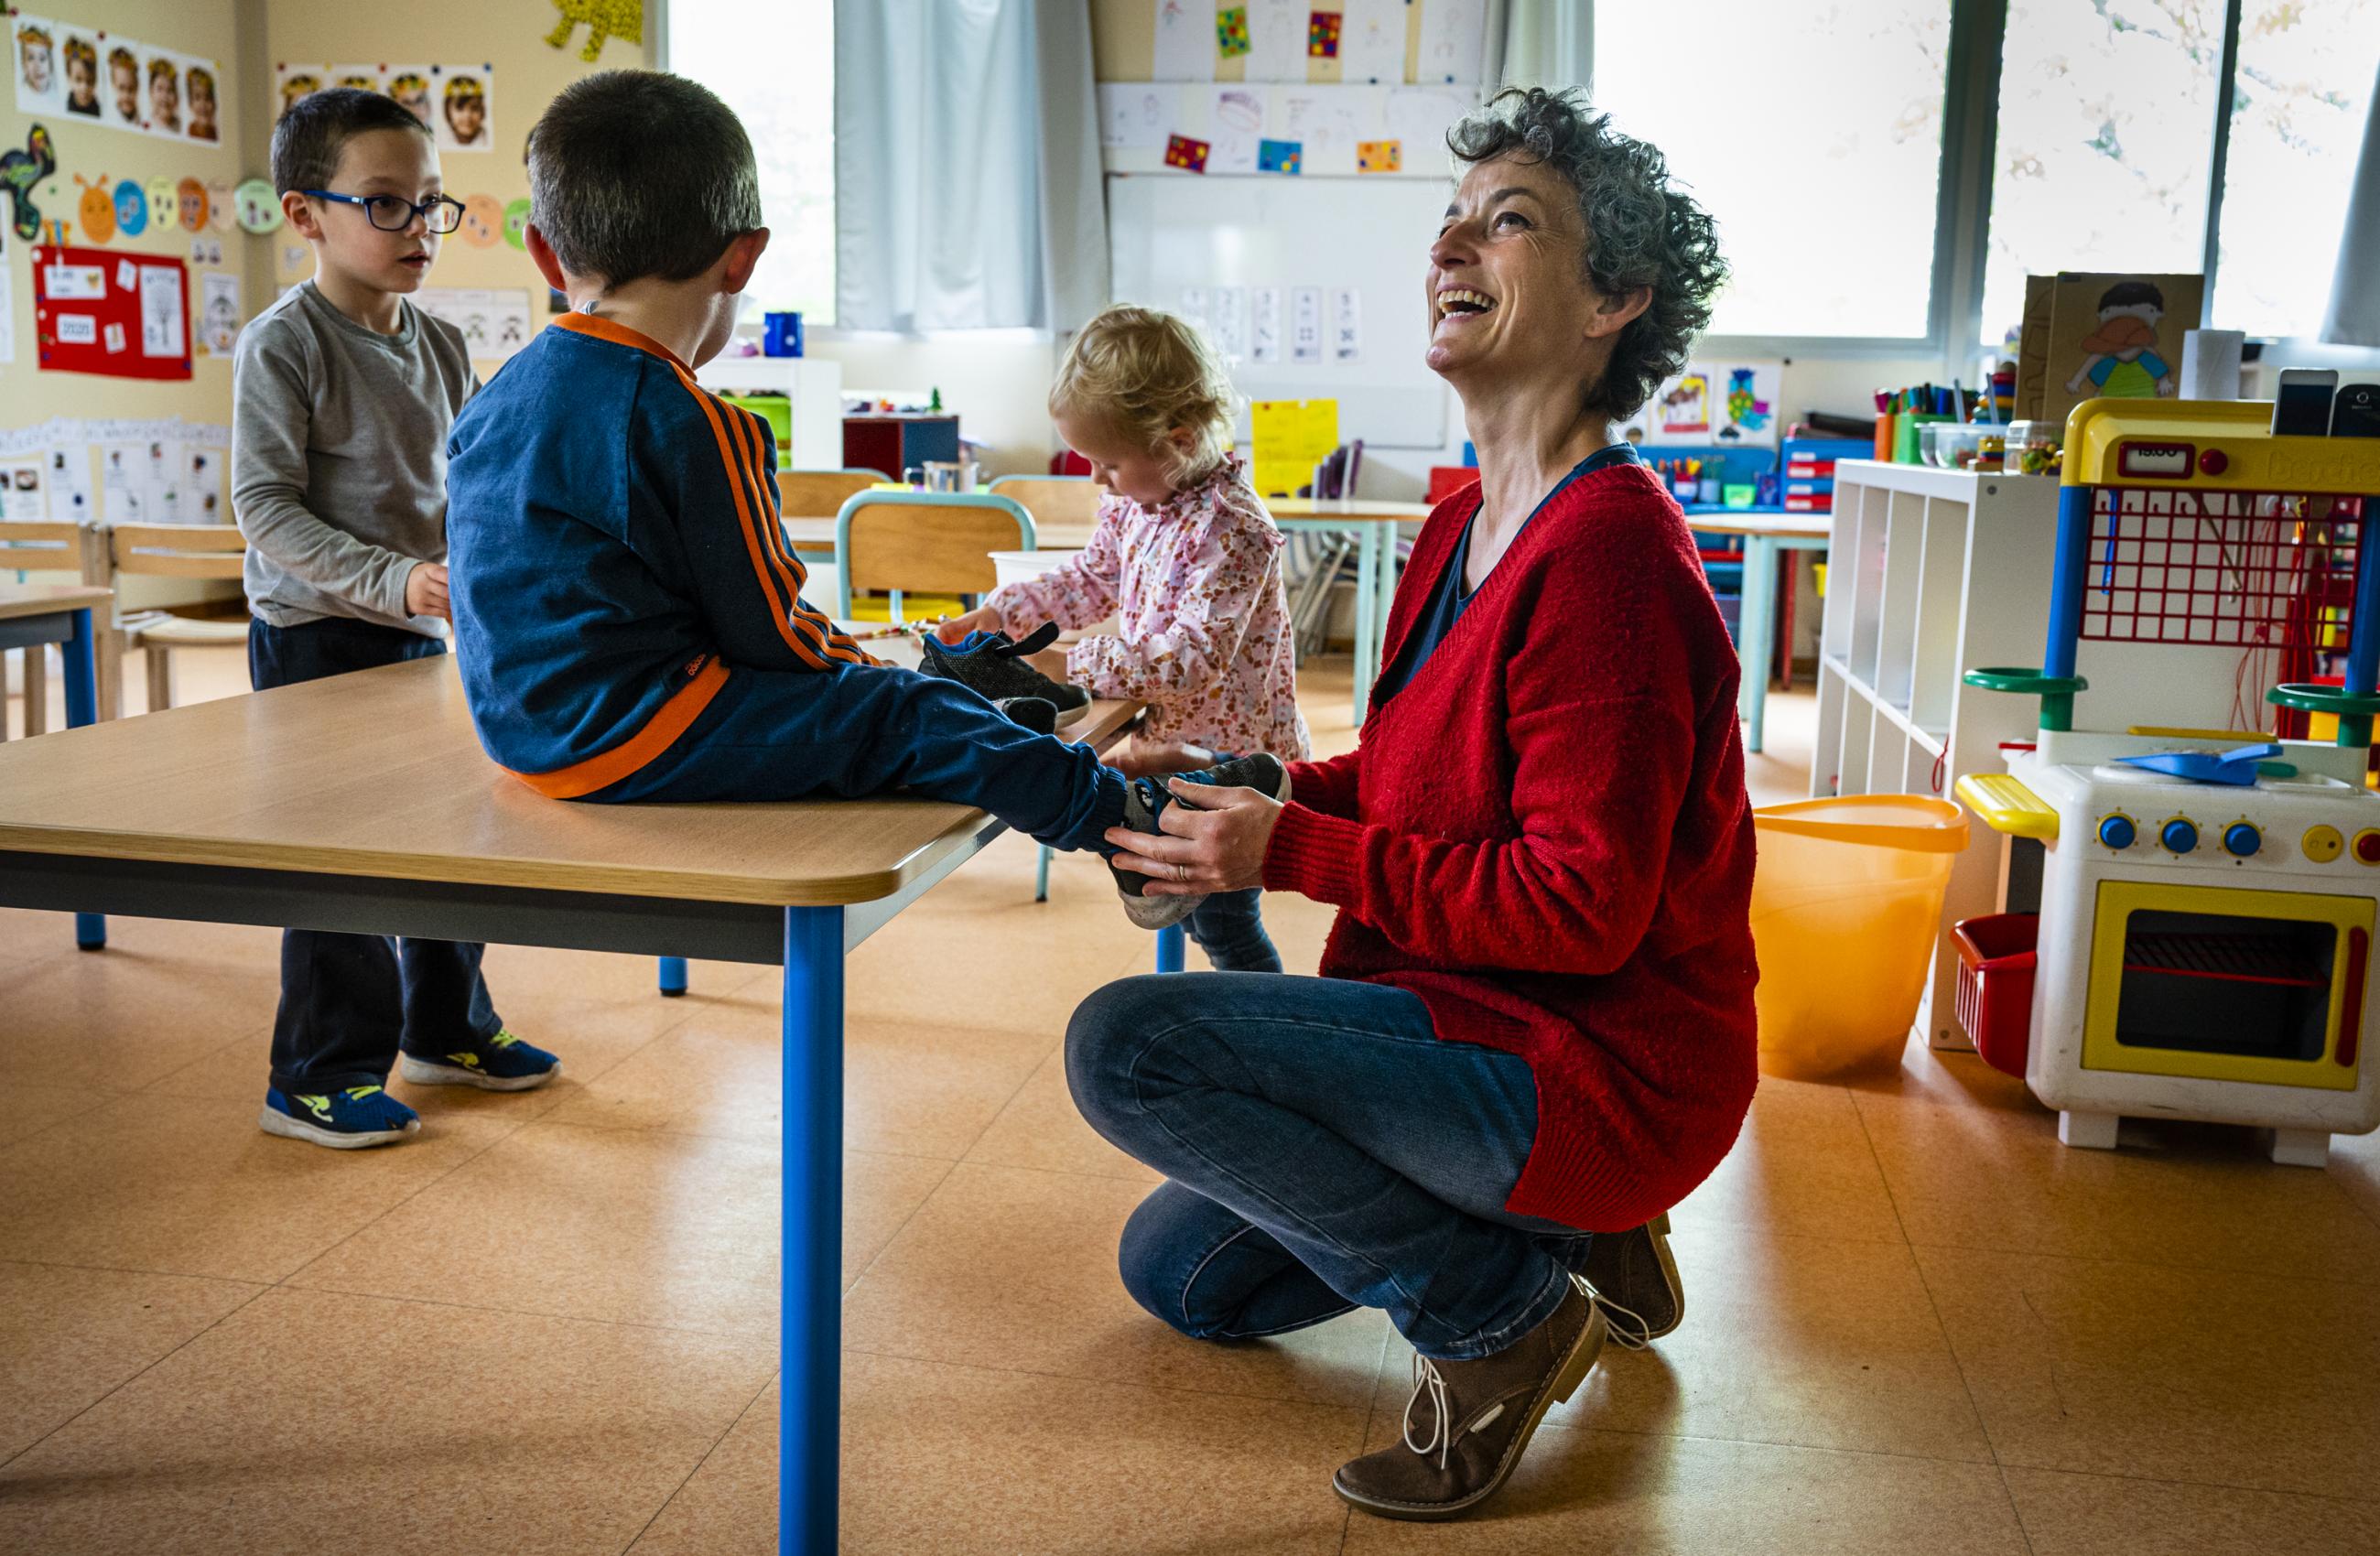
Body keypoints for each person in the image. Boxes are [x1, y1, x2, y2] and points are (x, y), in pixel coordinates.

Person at [1071, 86, 1758, 1521]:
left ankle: (1503, 1316)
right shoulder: (1461, 522)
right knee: (1178, 1275)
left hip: (1593, 1059)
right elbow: (1409, 785)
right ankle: (1584, 1236)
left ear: (1614, 298)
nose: (1457, 243)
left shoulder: (1612, 559)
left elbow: (1576, 909)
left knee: (1128, 1052)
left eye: (1510, 223)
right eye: (1451, 219)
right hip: (1459, 1019)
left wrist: (1293, 849)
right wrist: (1250, 789)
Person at [441, 70, 1269, 922]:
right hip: (635, 736)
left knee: (910, 700)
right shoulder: (692, 420)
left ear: (545, 253)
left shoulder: (495, 398)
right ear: (743, 256)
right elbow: (771, 637)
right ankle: (1134, 830)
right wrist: (884, 675)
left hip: (520, 734)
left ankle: (989, 725)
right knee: (900, 711)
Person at [233, 87, 551, 1151]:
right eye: (386, 204)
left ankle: (447, 1025)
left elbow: (464, 485)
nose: (420, 228)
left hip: (426, 635)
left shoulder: (442, 342)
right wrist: (395, 579)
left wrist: (490, 563)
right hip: (318, 633)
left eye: (431, 203)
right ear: (305, 214)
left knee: (455, 837)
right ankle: (317, 1073)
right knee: (340, 858)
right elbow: (264, 506)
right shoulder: (285, 346)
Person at [933, 305, 1309, 960]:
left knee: (1223, 923)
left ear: (1182, 438)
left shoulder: (1232, 529)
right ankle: (1225, 1023)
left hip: (1230, 764)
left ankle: (1265, 1030)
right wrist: (1002, 613)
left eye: (1106, 462)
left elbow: (1194, 659)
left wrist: (1072, 666)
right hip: (1168, 744)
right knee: (1187, 910)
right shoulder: (1135, 503)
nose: (1095, 479)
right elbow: (1090, 578)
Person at [442, 76, 486, 148]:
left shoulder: (486, 139)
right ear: (447, 111)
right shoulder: (441, 140)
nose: (467, 116)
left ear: (482, 110)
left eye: (474, 108)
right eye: (460, 108)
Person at [60, 35, 99, 117]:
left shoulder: (98, 110)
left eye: (90, 81)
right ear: (69, 78)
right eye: (78, 80)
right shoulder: (65, 109)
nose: (84, 87)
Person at [145, 55, 178, 135]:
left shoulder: (179, 126)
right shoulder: (147, 123)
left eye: (170, 90)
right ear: (151, 92)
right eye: (159, 89)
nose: (165, 96)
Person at [187, 65, 219, 143]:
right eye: (197, 98)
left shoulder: (216, 134)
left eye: (208, 98)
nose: (203, 104)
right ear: (190, 103)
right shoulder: (188, 132)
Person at [109, 48, 140, 125]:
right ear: (113, 86)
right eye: (121, 88)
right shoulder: (111, 118)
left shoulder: (140, 119)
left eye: (131, 89)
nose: (126, 96)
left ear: (137, 86)